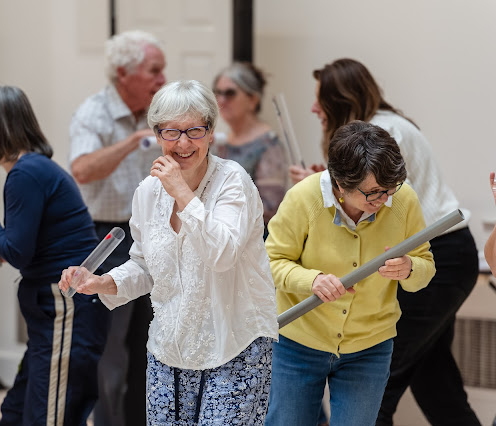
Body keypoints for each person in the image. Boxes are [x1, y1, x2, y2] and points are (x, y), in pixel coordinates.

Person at [60, 80, 279, 425]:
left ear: (210, 132)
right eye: (171, 132)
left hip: (234, 345)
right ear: (157, 134)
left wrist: (181, 192)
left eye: (194, 130)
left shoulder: (232, 181)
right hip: (169, 349)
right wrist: (100, 282)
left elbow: (222, 254)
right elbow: (146, 267)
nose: (183, 143)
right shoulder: (147, 192)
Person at [294, 58, 480, 426]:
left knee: (375, 384)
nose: (314, 108)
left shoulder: (378, 132)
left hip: (434, 256)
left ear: (339, 99)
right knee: (436, 385)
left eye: (320, 100)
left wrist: (317, 193)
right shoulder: (389, 126)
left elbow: (375, 209)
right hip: (450, 254)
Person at [0, 85, 109, 425]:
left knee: (48, 419)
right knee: (15, 413)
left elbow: (20, 253)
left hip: (66, 305)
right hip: (54, 313)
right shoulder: (29, 170)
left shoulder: (26, 173)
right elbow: (28, 246)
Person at [265, 121, 436, 426]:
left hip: (370, 345)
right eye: (372, 193)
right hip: (298, 342)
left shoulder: (402, 199)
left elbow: (425, 266)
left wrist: (410, 268)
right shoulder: (304, 198)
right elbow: (271, 261)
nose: (383, 200)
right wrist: (312, 281)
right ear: (340, 184)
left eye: (390, 189)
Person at [68, 29, 166, 426]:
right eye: (153, 70)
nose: (162, 79)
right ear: (123, 74)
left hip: (155, 236)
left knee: (150, 341)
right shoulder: (94, 112)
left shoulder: (162, 111)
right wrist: (132, 142)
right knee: (109, 349)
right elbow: (81, 170)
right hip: (106, 237)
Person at [212, 62, 290, 231]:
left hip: (255, 238)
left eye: (230, 93)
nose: (221, 100)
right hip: (222, 231)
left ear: (252, 99)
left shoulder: (268, 144)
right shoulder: (221, 140)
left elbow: (270, 206)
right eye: (217, 93)